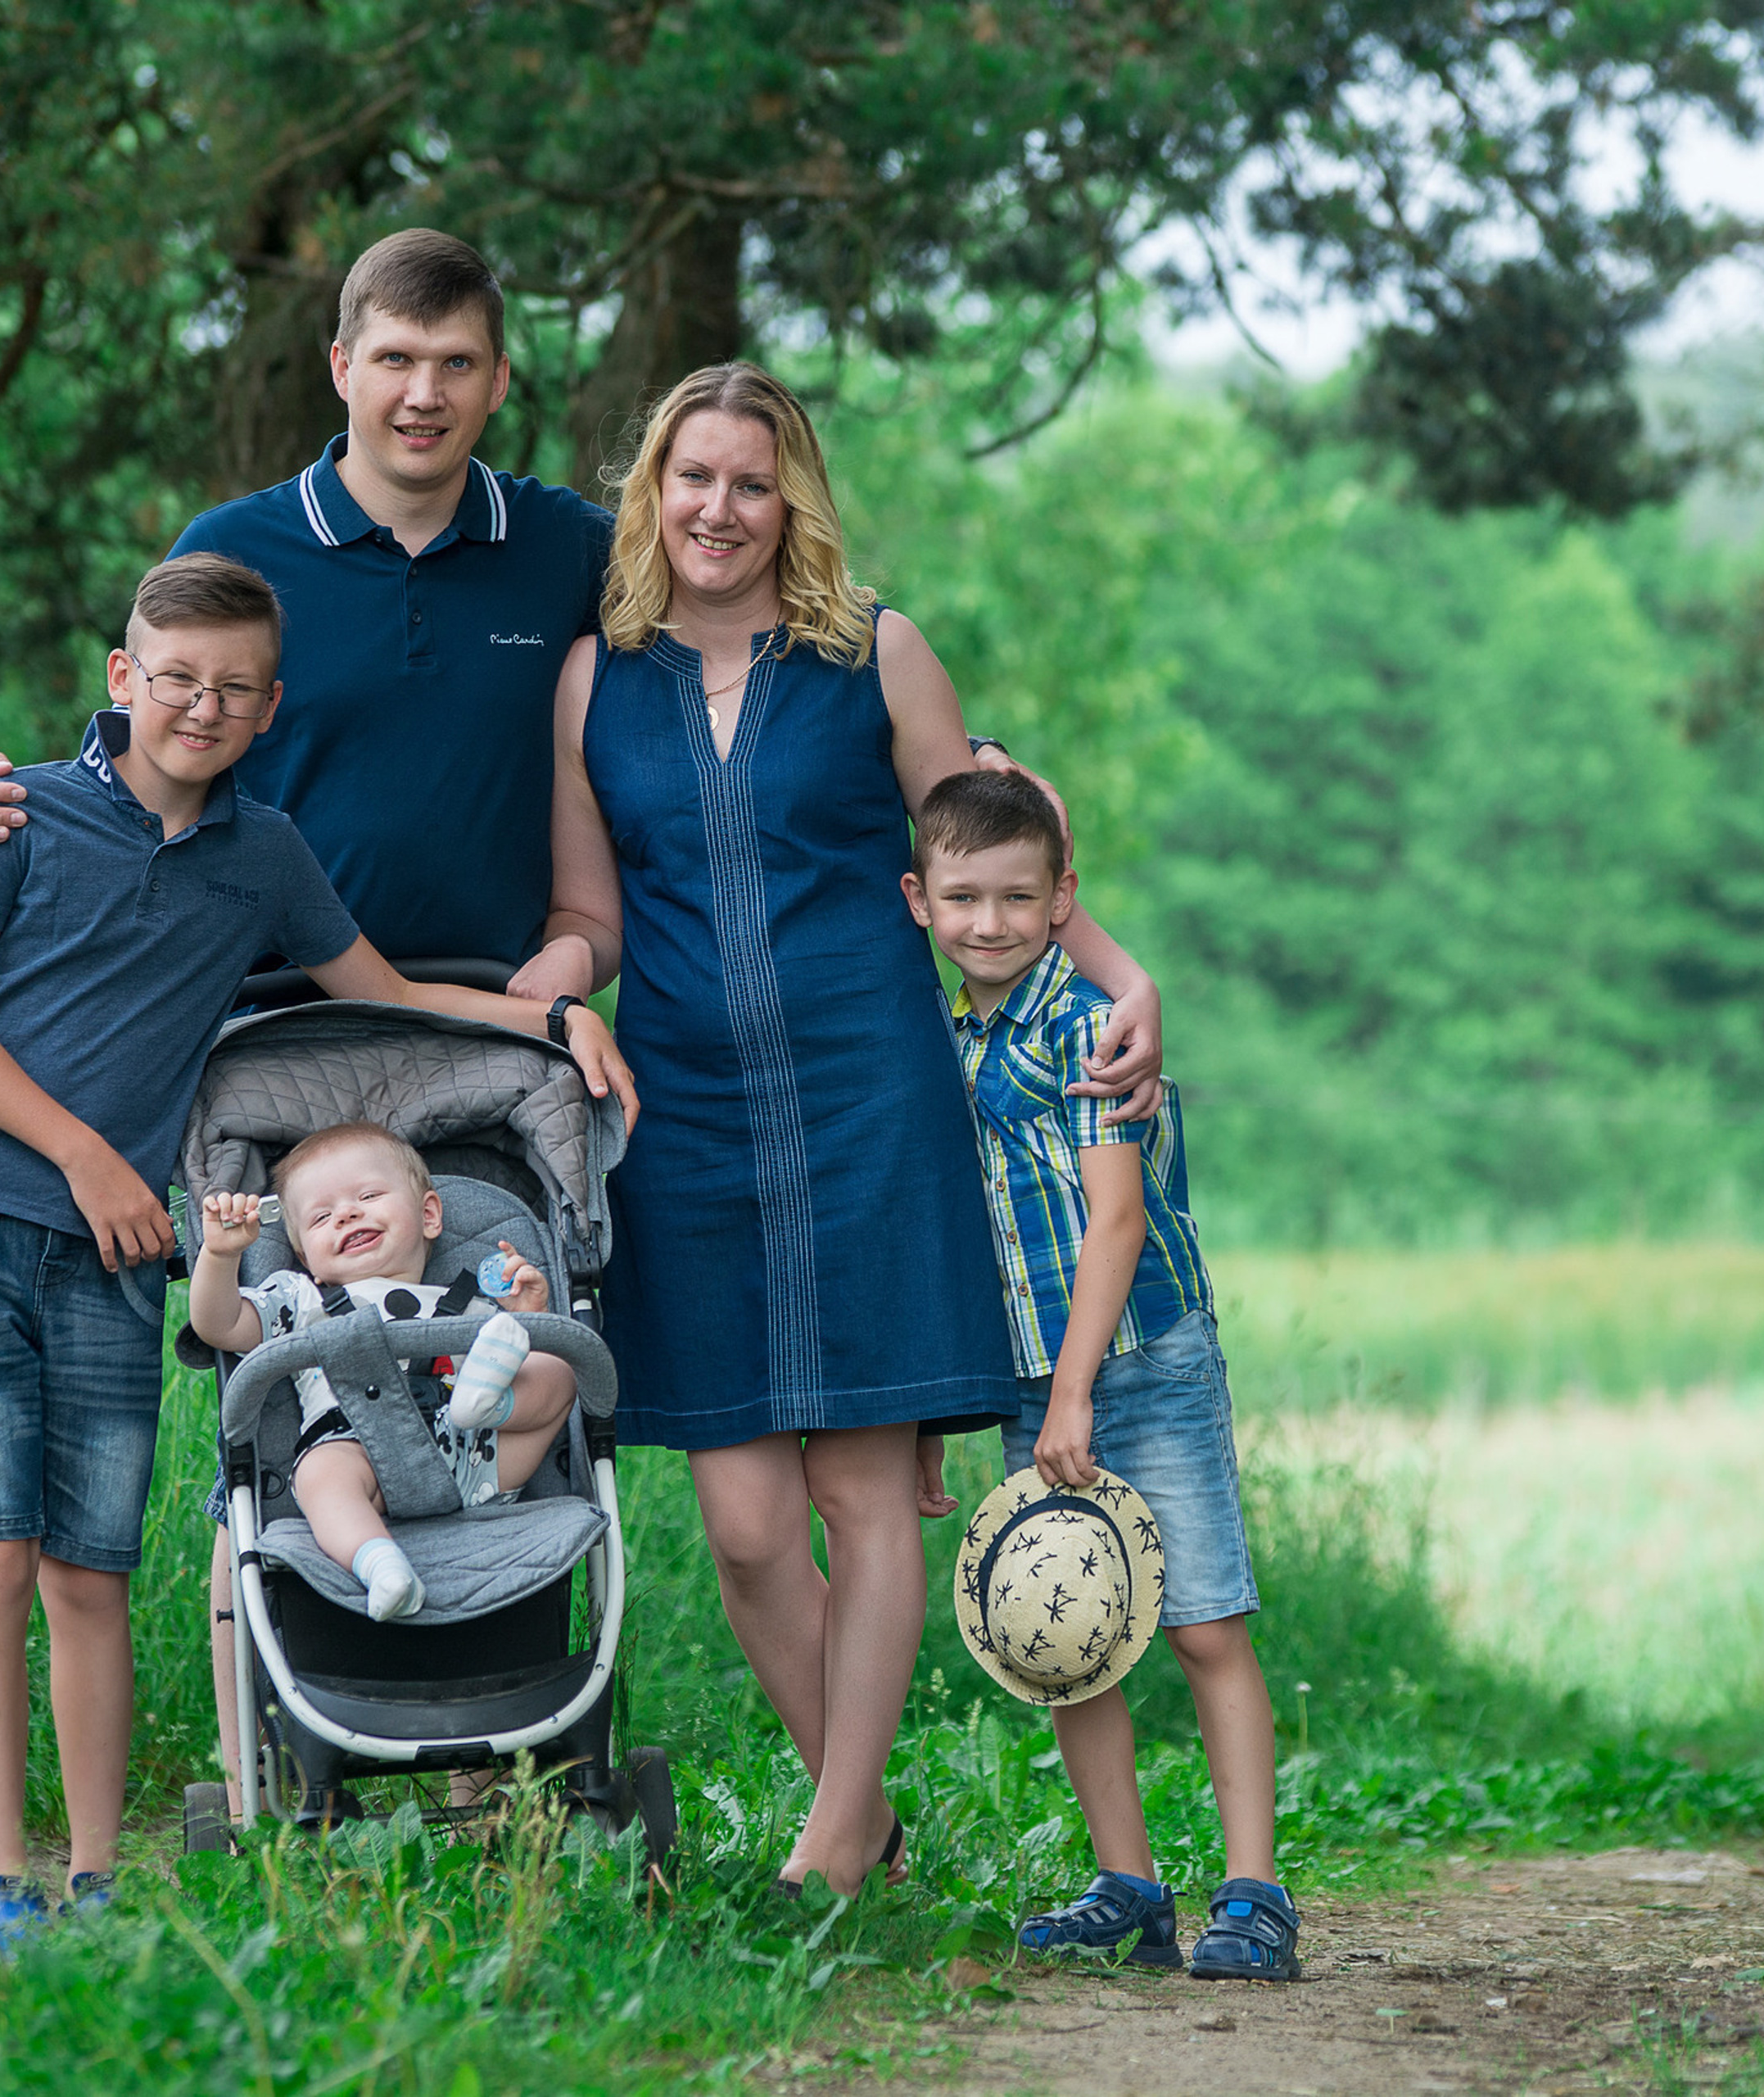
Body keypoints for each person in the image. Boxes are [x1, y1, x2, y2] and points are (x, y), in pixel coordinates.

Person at [0, 228, 622, 1809]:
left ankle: (493, 1720)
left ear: (496, 378)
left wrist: (557, 1005)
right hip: (253, 1054)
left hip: (467, 1041)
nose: (423, 393)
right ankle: (291, 1705)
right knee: (286, 1390)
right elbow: (130, 782)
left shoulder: (566, 552)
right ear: (340, 364)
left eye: (456, 364)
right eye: (393, 360)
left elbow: (726, 656)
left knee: (500, 1342)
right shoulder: (241, 547)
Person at [537, 360, 1165, 1896]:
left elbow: (991, 864)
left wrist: (1124, 978)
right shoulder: (591, 679)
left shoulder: (874, 651)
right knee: (749, 1527)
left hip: (871, 1103)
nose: (720, 509)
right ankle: (864, 1819)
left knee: (861, 1493)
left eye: (753, 482)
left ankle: (828, 1857)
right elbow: (586, 914)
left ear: (791, 498)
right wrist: (551, 1002)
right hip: (683, 1122)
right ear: (655, 492)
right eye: (695, 479)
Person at [902, 768, 1299, 1982]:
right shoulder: (937, 1032)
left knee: (1203, 1624)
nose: (990, 923)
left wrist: (1073, 1394)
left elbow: (1115, 1225)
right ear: (918, 900)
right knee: (1068, 1622)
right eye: (964, 898)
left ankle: (1256, 1892)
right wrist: (944, 1411)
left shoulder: (1090, 1024)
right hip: (1030, 1373)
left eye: (1018, 898)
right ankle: (1128, 1883)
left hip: (1140, 1359)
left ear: (1062, 897)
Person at [191, 1123, 574, 1621]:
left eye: (368, 1196)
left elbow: (536, 1363)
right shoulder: (303, 1300)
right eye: (323, 1216)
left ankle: (492, 1401)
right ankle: (379, 1563)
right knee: (320, 1477)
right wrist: (220, 1256)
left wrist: (529, 1315)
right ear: (308, 1258)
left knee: (559, 1371)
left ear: (429, 1215)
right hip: (355, 1444)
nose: (348, 1213)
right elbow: (219, 1325)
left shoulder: (472, 1304)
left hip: (472, 1449)